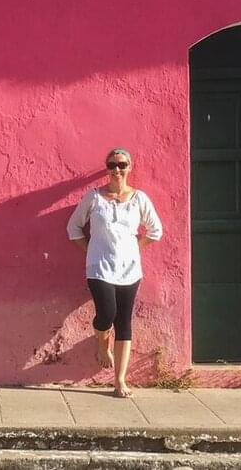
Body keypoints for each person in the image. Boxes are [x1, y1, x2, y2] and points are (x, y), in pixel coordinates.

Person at [66, 148, 163, 398]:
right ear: (107, 168)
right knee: (106, 314)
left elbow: (155, 231)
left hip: (130, 269)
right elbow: (74, 227)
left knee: (124, 322)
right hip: (99, 267)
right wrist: (91, 250)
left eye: (121, 164)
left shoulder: (139, 199)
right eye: (112, 165)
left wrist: (134, 248)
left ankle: (120, 381)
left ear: (130, 167)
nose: (117, 169)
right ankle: (101, 342)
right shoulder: (94, 197)